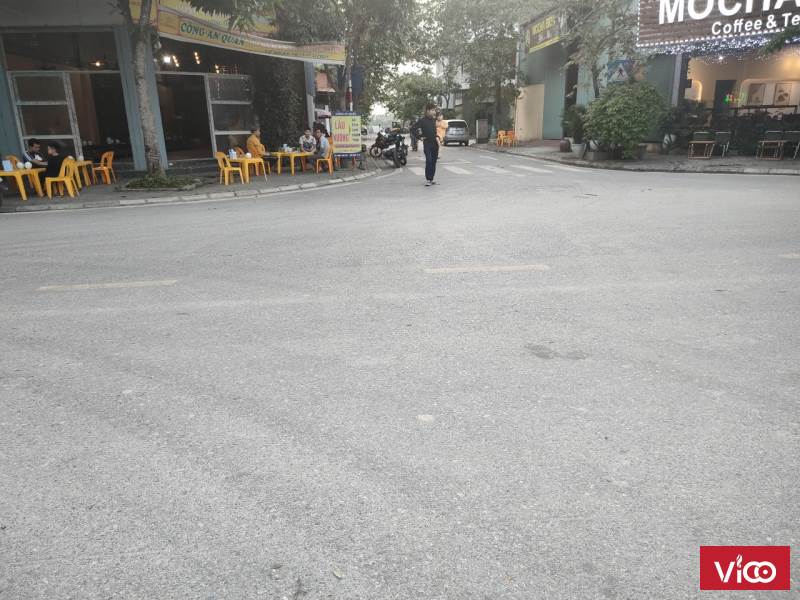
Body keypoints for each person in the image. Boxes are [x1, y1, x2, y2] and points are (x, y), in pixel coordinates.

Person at [411, 103, 439, 186]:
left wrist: (438, 137)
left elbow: (435, 131)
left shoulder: (434, 120)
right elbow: (413, 129)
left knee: (433, 162)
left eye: (434, 110)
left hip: (435, 144)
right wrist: (419, 137)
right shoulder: (422, 120)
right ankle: (428, 179)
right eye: (433, 110)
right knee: (429, 160)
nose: (434, 112)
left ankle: (431, 179)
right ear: (428, 111)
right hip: (427, 144)